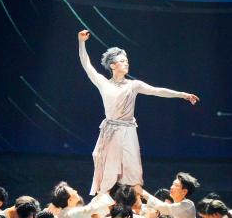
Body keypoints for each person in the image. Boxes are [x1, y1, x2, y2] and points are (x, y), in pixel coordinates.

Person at [77, 29, 199, 196]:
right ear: (112, 65)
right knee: (109, 171)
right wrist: (81, 42)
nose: (126, 63)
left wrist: (182, 94)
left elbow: (157, 90)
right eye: (122, 61)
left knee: (132, 170)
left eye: (127, 61)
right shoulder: (103, 83)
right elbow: (86, 65)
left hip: (128, 131)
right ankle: (104, 202)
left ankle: (136, 201)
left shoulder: (133, 85)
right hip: (111, 132)